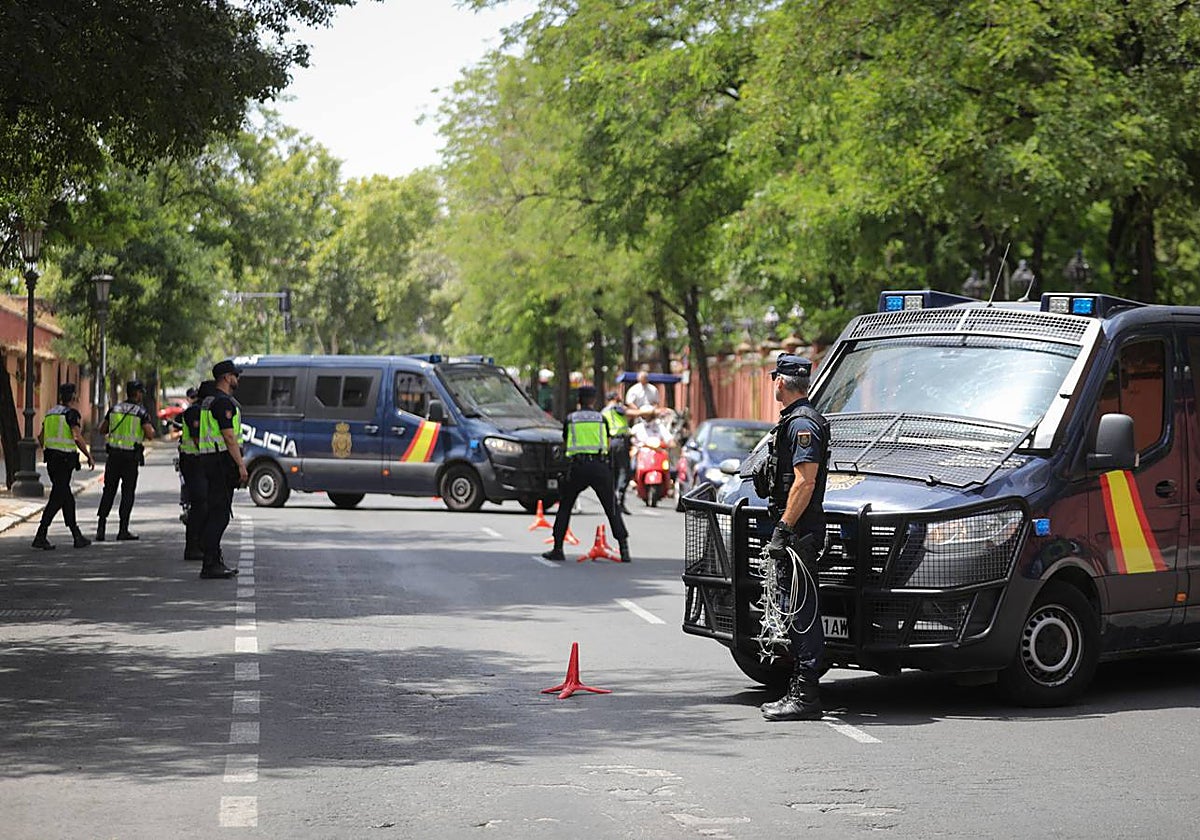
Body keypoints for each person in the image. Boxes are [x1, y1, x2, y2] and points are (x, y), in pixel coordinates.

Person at [757, 353, 831, 722]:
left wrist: (784, 529)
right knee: (798, 603)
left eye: (774, 378)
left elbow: (805, 481)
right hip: (797, 528)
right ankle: (804, 682)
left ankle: (806, 693)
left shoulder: (802, 424)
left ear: (781, 382)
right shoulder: (794, 421)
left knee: (800, 606)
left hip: (799, 531)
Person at [542, 385, 631, 563]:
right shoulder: (601, 419)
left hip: (578, 467)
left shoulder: (571, 419)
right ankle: (624, 548)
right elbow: (606, 442)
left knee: (565, 506)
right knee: (611, 507)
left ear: (579, 400)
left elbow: (566, 443)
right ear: (593, 400)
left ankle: (558, 548)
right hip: (599, 466)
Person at [198, 360, 247, 579]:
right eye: (236, 375)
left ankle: (213, 558)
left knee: (215, 512)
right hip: (221, 462)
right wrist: (241, 465)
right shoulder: (223, 403)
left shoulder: (208, 402)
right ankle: (210, 562)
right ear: (227, 377)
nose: (238, 378)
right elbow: (229, 436)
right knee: (220, 514)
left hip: (210, 460)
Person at [32, 383, 94, 549]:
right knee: (58, 498)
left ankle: (76, 535)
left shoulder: (51, 413)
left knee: (66, 498)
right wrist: (88, 455)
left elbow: (40, 436)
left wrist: (49, 448)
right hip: (64, 462)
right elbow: (76, 437)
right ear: (73, 397)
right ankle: (41, 534)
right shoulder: (71, 414)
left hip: (52, 461)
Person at [95, 379, 157, 541]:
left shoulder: (114, 409)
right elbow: (150, 434)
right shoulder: (140, 412)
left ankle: (101, 528)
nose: (142, 395)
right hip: (130, 458)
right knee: (127, 493)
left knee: (108, 491)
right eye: (141, 392)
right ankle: (123, 529)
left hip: (114, 457)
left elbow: (102, 429)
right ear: (136, 393)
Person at [179, 381, 215, 562]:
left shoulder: (205, 411)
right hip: (193, 461)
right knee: (200, 504)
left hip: (201, 462)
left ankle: (200, 543)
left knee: (205, 503)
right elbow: (196, 438)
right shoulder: (194, 411)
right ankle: (192, 545)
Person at [601, 391, 632, 514]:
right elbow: (631, 413)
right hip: (620, 441)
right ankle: (619, 498)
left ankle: (612, 500)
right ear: (614, 398)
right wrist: (653, 412)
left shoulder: (603, 411)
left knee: (612, 470)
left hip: (609, 443)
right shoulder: (616, 408)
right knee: (624, 470)